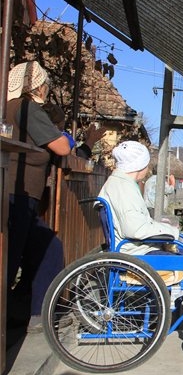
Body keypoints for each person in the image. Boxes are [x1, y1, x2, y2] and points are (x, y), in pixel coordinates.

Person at [98, 141, 183, 321]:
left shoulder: (118, 183)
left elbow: (135, 222)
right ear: (140, 166)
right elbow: (135, 228)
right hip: (136, 254)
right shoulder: (124, 187)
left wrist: (160, 226)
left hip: (131, 249)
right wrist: (171, 231)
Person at [5, 61, 76, 333]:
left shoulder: (11, 107)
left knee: (44, 249)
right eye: (45, 84)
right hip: (17, 193)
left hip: (18, 192)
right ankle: (26, 314)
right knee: (11, 259)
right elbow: (60, 147)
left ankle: (31, 312)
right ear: (37, 85)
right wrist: (66, 136)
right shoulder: (27, 108)